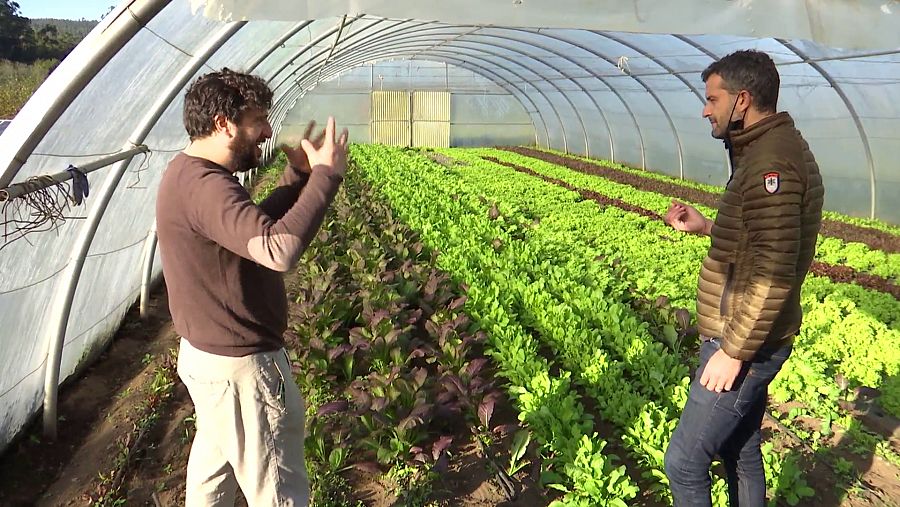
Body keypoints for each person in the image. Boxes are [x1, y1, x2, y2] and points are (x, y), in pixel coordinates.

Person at [156, 68, 348, 506]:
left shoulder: (189, 174)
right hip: (241, 369)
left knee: (213, 480)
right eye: (257, 121)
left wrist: (296, 179)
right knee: (278, 492)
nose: (266, 132)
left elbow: (244, 233)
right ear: (224, 124)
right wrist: (325, 177)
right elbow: (277, 249)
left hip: (210, 360)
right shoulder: (206, 187)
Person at [662, 50, 824, 506]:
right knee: (740, 448)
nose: (705, 109)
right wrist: (710, 228)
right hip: (750, 333)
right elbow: (765, 240)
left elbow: (774, 271)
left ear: (743, 100)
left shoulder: (772, 164)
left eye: (713, 99)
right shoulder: (767, 149)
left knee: (685, 463)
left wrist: (733, 352)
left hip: (746, 339)